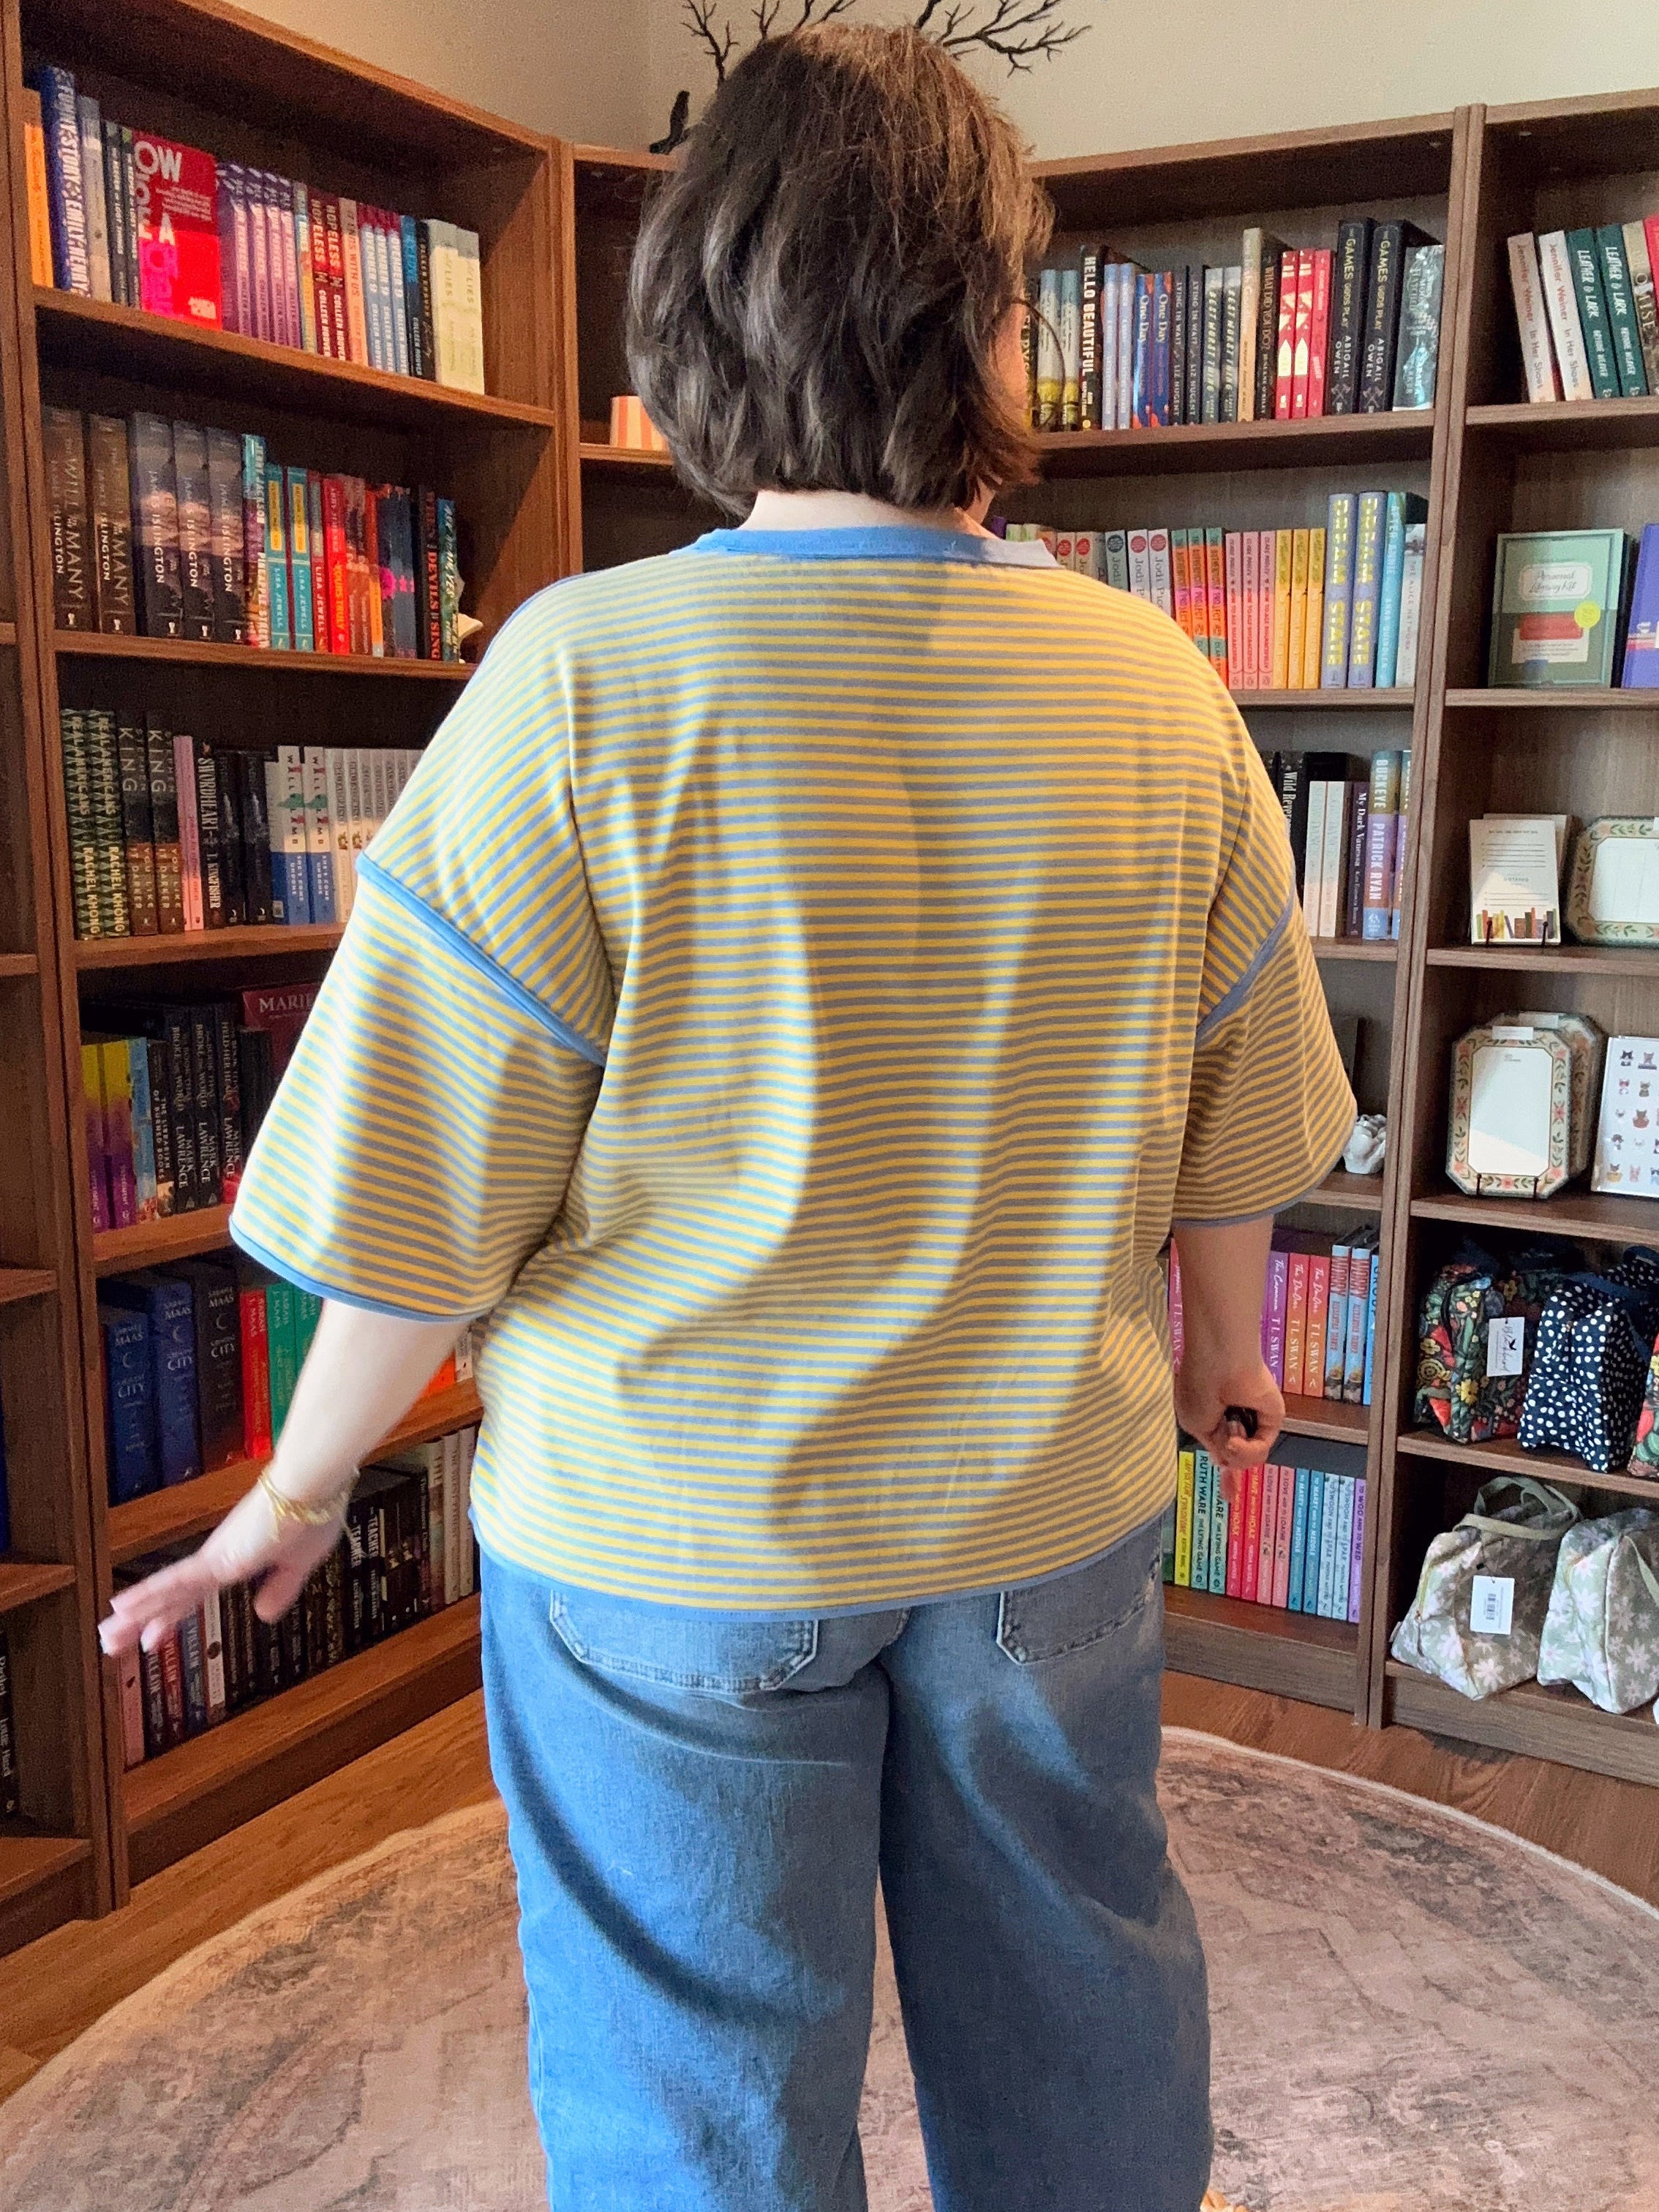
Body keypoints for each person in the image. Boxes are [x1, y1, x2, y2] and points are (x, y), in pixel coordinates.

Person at [102, 25, 1353, 2212]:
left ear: (695, 321)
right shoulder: (1156, 687)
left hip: (672, 1547)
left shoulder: (582, 678)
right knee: (1077, 1996)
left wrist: (301, 1486)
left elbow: (419, 1172)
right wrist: (1234, 1348)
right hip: (1035, 1517)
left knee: (696, 2085)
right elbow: (1235, 1093)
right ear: (982, 327)